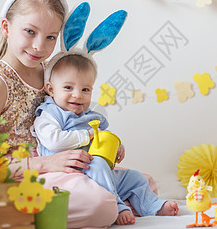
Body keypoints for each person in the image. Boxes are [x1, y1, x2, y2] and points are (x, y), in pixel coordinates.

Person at [0, 0, 121, 227]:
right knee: (101, 203)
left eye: (51, 36)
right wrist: (44, 164)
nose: (40, 46)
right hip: (14, 177)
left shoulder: (49, 73)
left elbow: (74, 117)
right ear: (6, 27)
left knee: (139, 183)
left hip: (52, 168)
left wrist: (100, 144)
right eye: (29, 31)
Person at [32, 53, 179, 225]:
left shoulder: (90, 116)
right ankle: (117, 206)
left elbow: (104, 138)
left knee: (135, 178)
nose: (78, 95)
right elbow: (54, 141)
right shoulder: (49, 114)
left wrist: (117, 146)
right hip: (69, 175)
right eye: (68, 88)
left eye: (85, 89)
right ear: (51, 89)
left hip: (97, 173)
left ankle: (153, 207)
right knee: (98, 164)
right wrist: (87, 135)